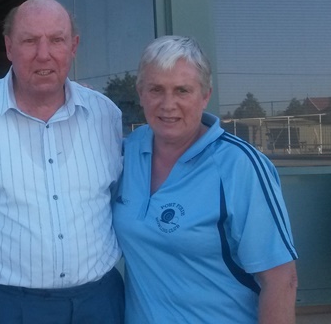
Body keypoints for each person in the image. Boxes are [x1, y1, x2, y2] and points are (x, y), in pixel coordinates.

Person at [0, 0, 125, 324]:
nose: (44, 54)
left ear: (74, 46)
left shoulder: (105, 115)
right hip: (0, 306)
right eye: (30, 41)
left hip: (96, 304)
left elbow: (113, 200)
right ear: (9, 47)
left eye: (57, 40)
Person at [112, 35, 298, 324]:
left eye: (182, 90)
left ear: (205, 95)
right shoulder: (128, 152)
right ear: (140, 92)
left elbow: (281, 280)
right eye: (156, 89)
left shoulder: (239, 165)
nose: (168, 104)